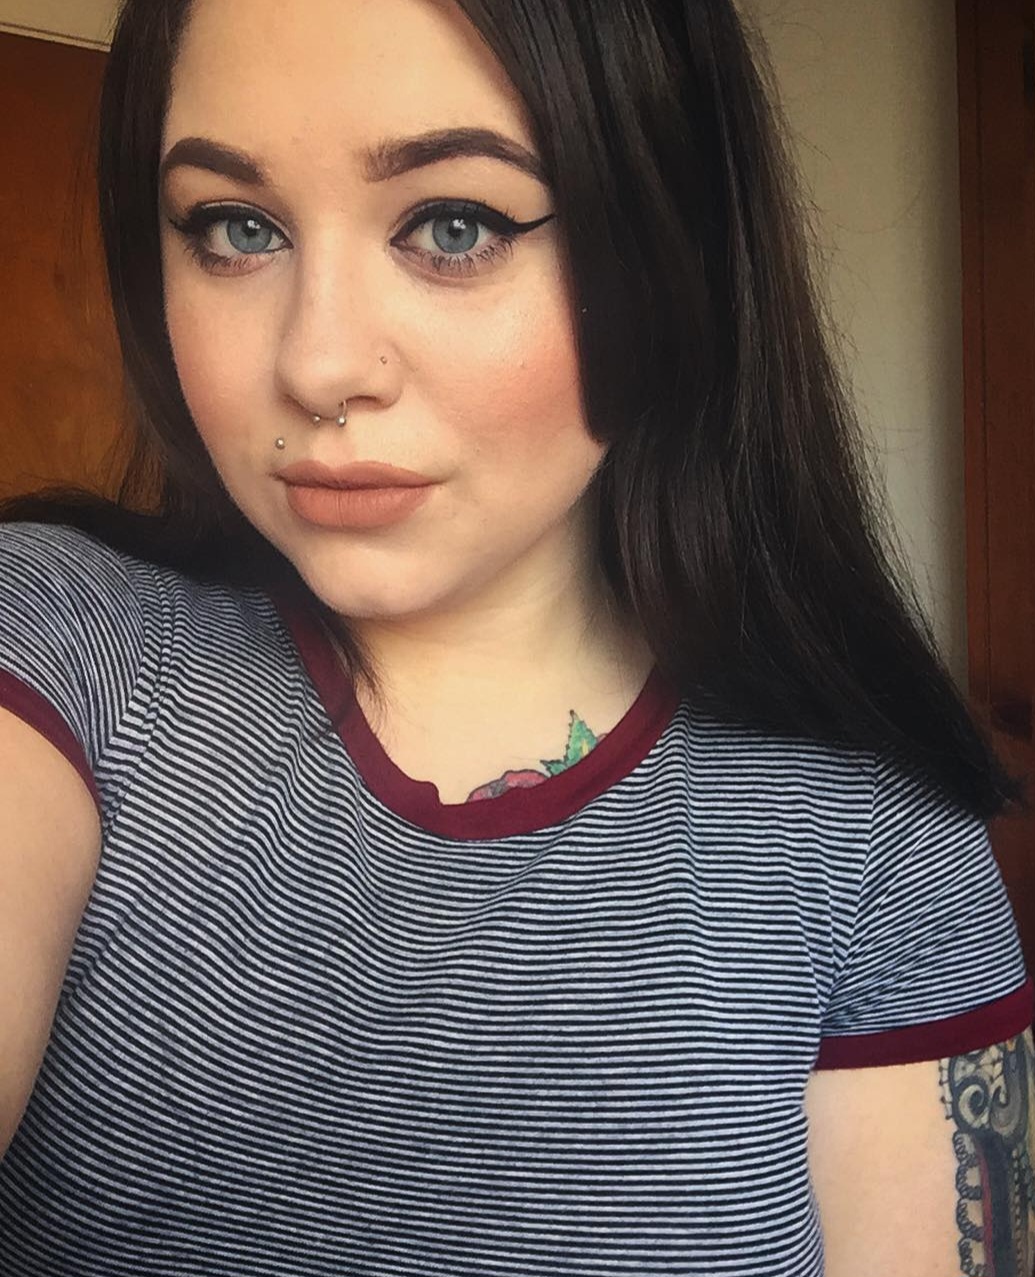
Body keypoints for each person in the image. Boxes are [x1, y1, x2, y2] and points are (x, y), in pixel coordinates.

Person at [0, 0, 1031, 1272]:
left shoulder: (874, 836)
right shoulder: (56, 642)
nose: (319, 365)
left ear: (670, 246)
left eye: (453, 224)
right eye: (236, 227)